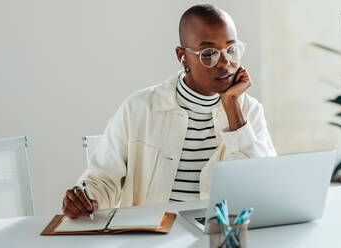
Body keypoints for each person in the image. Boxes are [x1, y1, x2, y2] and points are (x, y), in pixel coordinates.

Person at [62, 4, 276, 219]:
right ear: (182, 56)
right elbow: (103, 179)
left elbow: (262, 188)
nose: (225, 62)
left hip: (219, 235)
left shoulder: (249, 111)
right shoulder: (139, 108)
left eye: (231, 49)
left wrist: (232, 107)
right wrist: (85, 198)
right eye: (208, 53)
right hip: (154, 237)